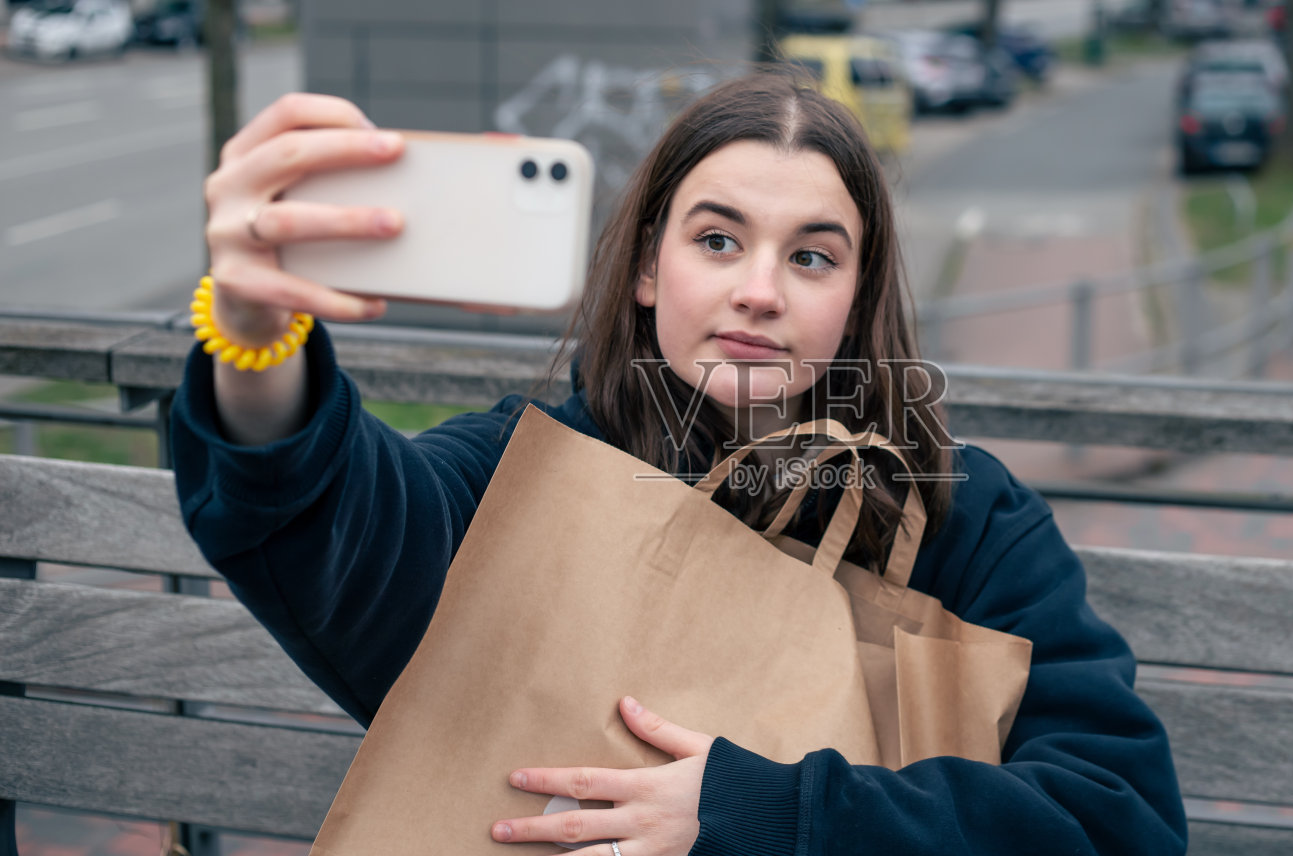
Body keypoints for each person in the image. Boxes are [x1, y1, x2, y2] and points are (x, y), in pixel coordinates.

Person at [172, 73, 1187, 856]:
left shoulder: (966, 522)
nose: (759, 290)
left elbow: (1115, 818)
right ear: (652, 266)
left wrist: (765, 812)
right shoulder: (524, 474)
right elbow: (335, 522)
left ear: (855, 297)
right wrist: (257, 339)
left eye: (811, 256)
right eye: (718, 239)